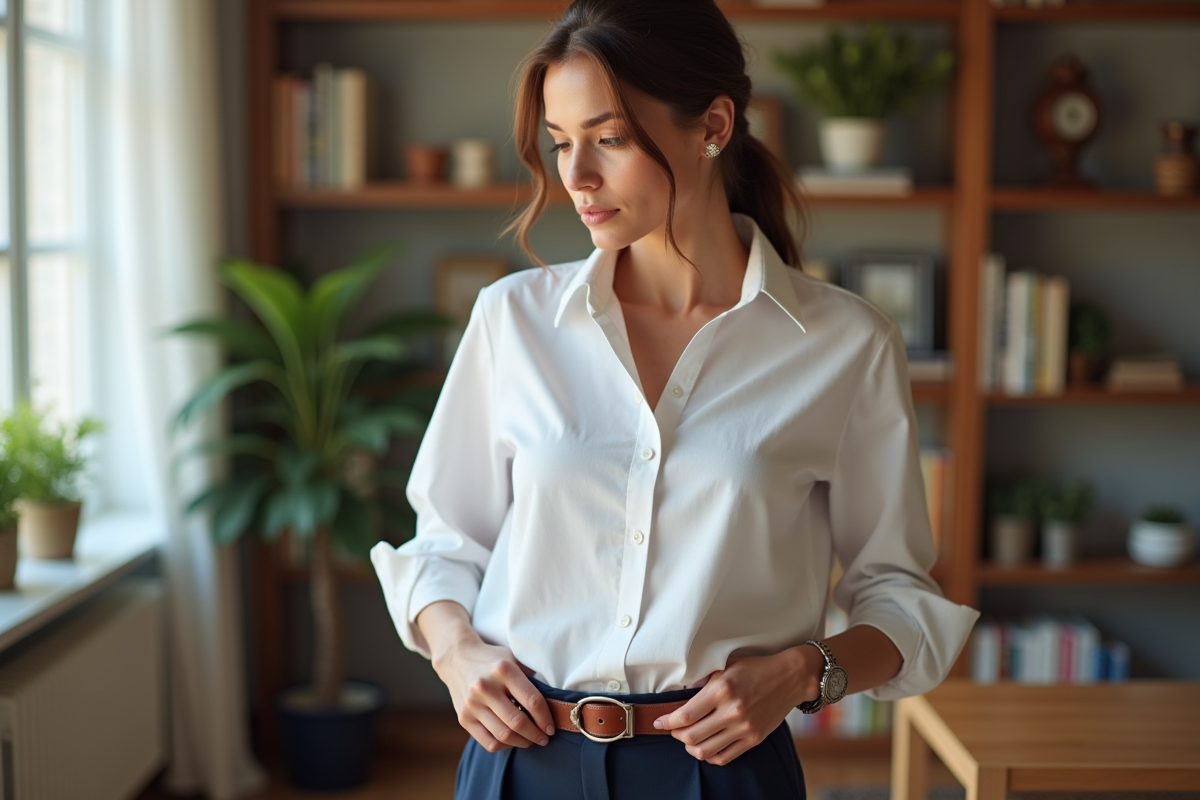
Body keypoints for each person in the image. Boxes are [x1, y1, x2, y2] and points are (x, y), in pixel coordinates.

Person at [371, 1, 979, 798]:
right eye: (561, 143)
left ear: (713, 126)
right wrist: (456, 653)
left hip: (723, 772)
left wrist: (804, 671)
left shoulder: (846, 345)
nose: (577, 178)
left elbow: (898, 594)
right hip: (520, 757)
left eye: (609, 139)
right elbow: (446, 547)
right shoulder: (513, 320)